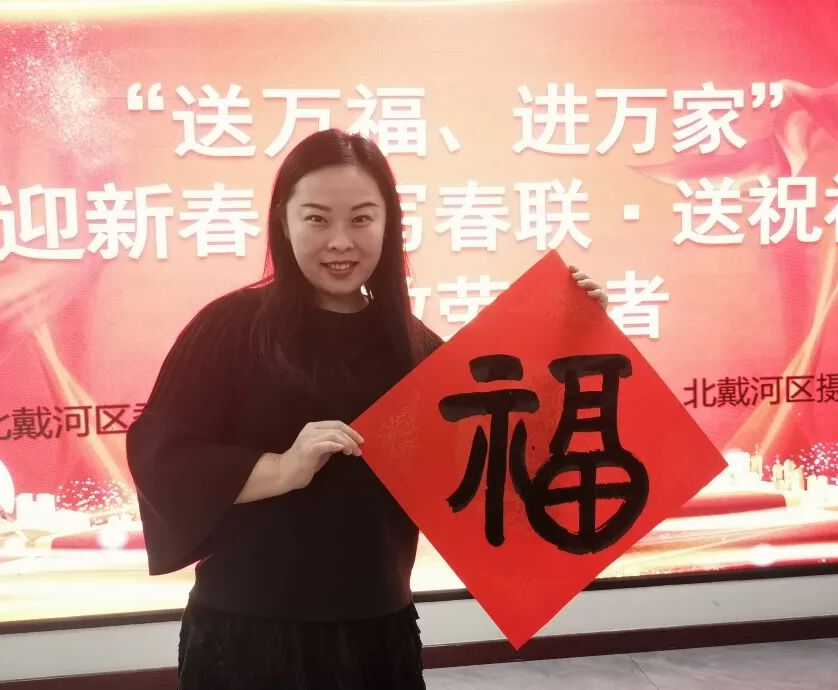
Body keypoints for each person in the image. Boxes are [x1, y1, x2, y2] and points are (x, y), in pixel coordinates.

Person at [126, 128, 609, 689]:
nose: (340, 242)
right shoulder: (230, 328)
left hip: (379, 629)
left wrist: (574, 336)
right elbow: (162, 458)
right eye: (316, 219)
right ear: (283, 220)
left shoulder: (414, 345)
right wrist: (281, 468)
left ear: (389, 224)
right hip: (248, 634)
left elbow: (506, 443)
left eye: (361, 219)